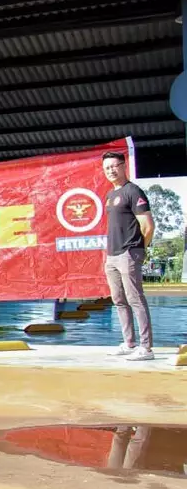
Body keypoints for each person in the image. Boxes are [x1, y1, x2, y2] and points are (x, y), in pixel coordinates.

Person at [102, 151, 155, 361]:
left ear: (124, 166)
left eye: (114, 166)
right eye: (107, 168)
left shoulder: (133, 191)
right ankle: (129, 343)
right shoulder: (110, 195)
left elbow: (147, 226)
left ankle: (146, 348)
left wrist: (139, 250)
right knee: (119, 300)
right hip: (112, 255)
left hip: (129, 252)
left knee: (135, 299)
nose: (111, 170)